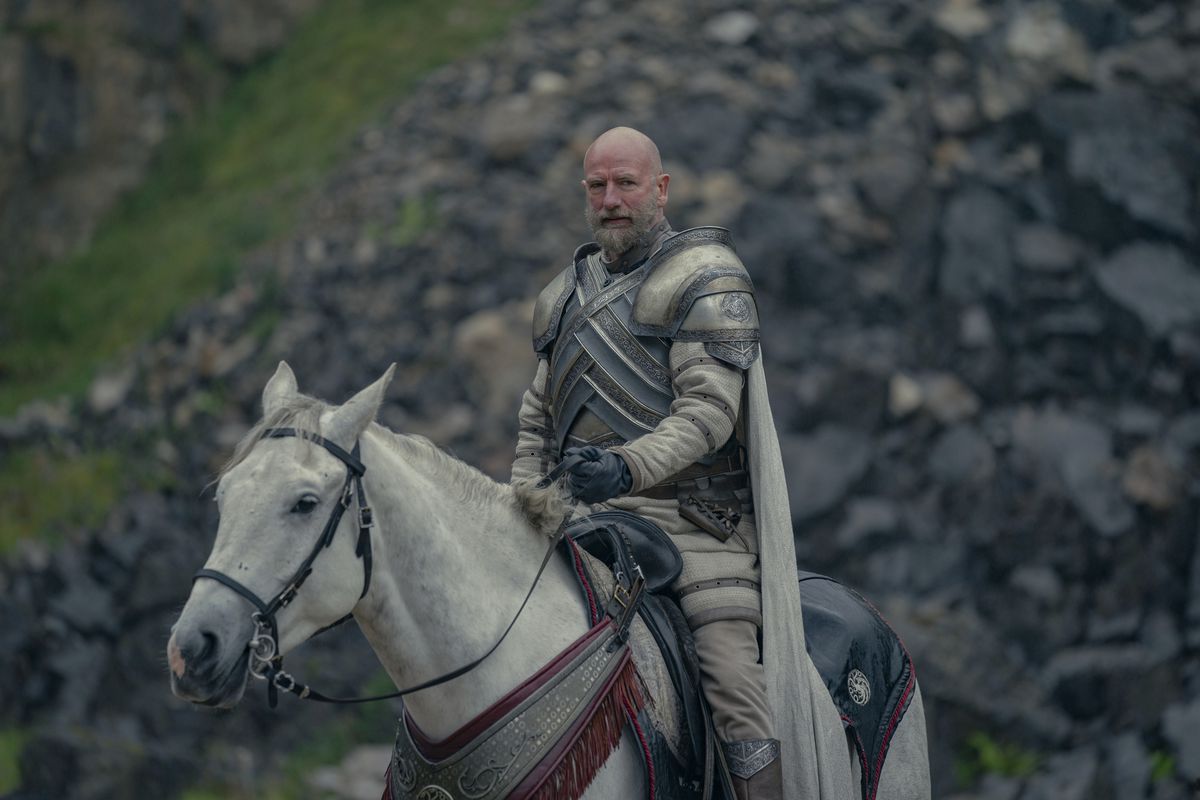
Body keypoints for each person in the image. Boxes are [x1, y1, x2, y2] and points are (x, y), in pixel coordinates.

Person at [511, 127, 807, 800]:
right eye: (597, 186)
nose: (611, 200)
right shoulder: (563, 296)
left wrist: (625, 467)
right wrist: (524, 505)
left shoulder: (704, 277)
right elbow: (536, 422)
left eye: (626, 184)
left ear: (661, 189)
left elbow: (707, 415)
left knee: (730, 677)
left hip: (696, 523)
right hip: (583, 518)